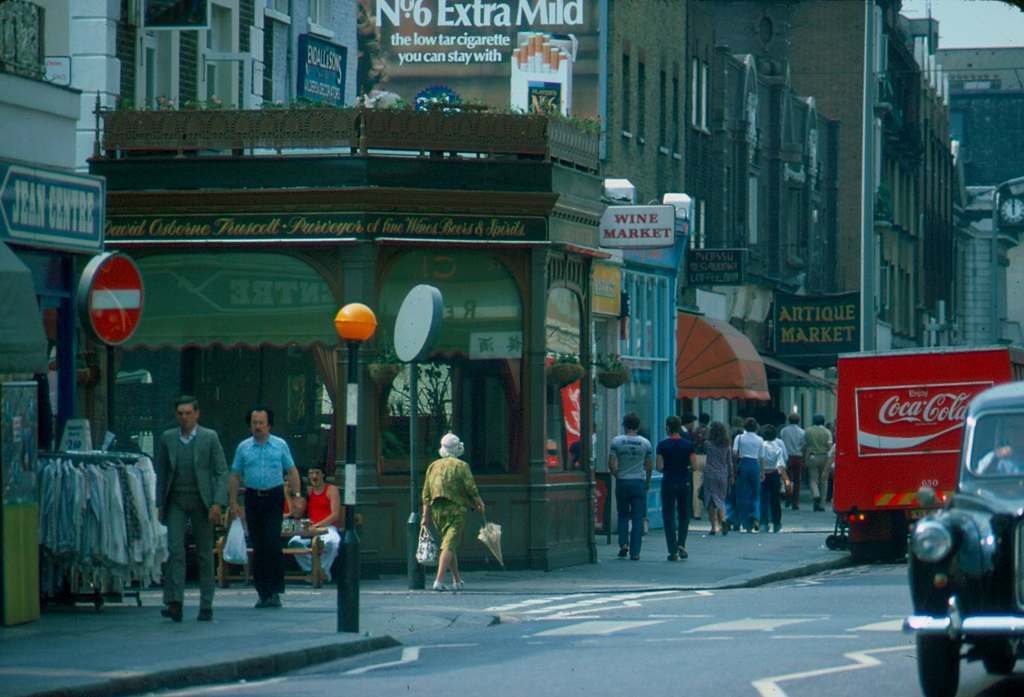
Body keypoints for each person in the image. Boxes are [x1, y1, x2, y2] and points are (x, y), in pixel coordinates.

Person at [155, 396, 228, 623]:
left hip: (202, 501)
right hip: (176, 499)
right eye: (180, 413)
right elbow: (162, 472)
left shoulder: (209, 437)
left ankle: (206, 604)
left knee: (205, 553)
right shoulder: (168, 438)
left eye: (188, 413)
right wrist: (159, 504)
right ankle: (174, 602)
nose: (184, 417)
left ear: (197, 414)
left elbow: (221, 472)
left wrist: (217, 502)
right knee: (175, 550)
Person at [228, 406, 301, 609]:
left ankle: (275, 590)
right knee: (258, 544)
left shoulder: (280, 445)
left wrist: (296, 496)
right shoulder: (243, 447)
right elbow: (234, 474)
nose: (258, 426)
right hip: (253, 496)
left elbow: (292, 470)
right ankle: (262, 592)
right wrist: (233, 501)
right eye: (254, 423)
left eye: (261, 423)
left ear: (269, 425)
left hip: (274, 496)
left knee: (272, 541)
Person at [421, 433, 485, 591]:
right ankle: (439, 580)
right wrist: (479, 502)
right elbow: (471, 488)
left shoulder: (433, 466)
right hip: (455, 510)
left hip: (437, 511)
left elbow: (426, 494)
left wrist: (425, 516)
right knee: (449, 545)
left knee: (448, 544)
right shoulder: (461, 466)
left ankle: (457, 580)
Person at [609, 412, 653, 560]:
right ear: (638, 426)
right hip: (638, 481)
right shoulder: (645, 443)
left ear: (624, 425)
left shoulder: (617, 441)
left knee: (622, 514)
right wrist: (647, 481)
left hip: (622, 481)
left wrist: (617, 474)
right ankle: (635, 552)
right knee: (637, 517)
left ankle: (623, 544)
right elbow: (648, 466)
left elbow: (611, 463)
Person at [286, 464, 341, 581]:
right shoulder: (308, 491)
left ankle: (320, 572)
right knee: (294, 543)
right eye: (311, 473)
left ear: (323, 475)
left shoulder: (331, 489)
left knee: (333, 543)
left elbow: (335, 515)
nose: (314, 476)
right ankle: (317, 571)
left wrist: (317, 525)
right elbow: (297, 512)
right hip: (308, 527)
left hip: (327, 527)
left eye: (317, 473)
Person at [656, 416, 696, 561]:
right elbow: (695, 465)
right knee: (684, 514)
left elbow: (659, 466)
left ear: (667, 427)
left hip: (668, 482)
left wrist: (668, 467)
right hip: (684, 482)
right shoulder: (688, 444)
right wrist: (685, 468)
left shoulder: (662, 445)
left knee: (669, 515)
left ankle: (672, 550)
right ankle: (682, 544)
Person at [732, 418, 763, 532]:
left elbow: (735, 453)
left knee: (742, 493)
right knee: (756, 493)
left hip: (743, 464)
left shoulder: (739, 438)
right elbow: (761, 456)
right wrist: (762, 471)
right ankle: (755, 516)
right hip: (755, 464)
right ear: (756, 427)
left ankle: (743, 522)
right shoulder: (759, 439)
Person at [702, 421, 734, 536]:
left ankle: (713, 527)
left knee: (710, 501)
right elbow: (729, 462)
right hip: (723, 474)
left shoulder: (708, 444)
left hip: (710, 474)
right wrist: (731, 476)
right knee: (720, 499)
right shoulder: (727, 445)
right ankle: (723, 520)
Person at [758, 425, 789, 533]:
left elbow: (759, 459)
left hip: (763, 474)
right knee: (775, 500)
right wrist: (786, 479)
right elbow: (782, 462)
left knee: (763, 500)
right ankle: (777, 523)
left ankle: (763, 523)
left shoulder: (761, 445)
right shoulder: (778, 447)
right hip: (775, 474)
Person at [803, 414, 833, 512]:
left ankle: (816, 494)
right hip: (824, 456)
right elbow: (829, 445)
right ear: (823, 421)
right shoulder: (827, 431)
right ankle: (822, 504)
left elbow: (804, 444)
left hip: (812, 456)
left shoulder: (808, 431)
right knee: (824, 480)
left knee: (813, 479)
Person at [779, 413, 805, 510]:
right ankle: (795, 502)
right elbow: (803, 445)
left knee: (787, 478)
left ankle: (788, 495)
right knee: (797, 480)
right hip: (798, 456)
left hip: (787, 456)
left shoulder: (784, 431)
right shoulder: (802, 432)